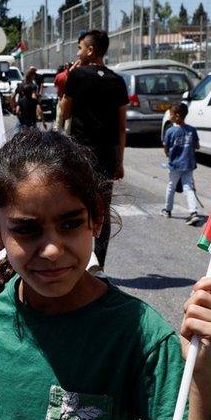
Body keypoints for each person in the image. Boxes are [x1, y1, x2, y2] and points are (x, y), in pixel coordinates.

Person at [0, 130, 211, 420]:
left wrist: (202, 377)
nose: (52, 250)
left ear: (96, 218)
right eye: (27, 230)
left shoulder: (140, 335)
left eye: (69, 224)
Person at [58, 30, 129, 273]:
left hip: (80, 154)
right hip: (107, 155)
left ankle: (79, 261)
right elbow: (121, 127)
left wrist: (70, 76)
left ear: (90, 51)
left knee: (77, 206)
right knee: (103, 209)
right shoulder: (117, 81)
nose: (77, 52)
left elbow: (64, 112)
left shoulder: (77, 75)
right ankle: (99, 264)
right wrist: (119, 161)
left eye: (80, 48)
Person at [162, 102, 201, 226]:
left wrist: (169, 155)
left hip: (174, 165)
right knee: (188, 187)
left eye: (171, 115)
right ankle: (193, 212)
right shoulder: (192, 130)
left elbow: (166, 147)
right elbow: (197, 146)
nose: (169, 117)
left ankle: (167, 210)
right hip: (188, 164)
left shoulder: (170, 131)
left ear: (177, 116)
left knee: (171, 186)